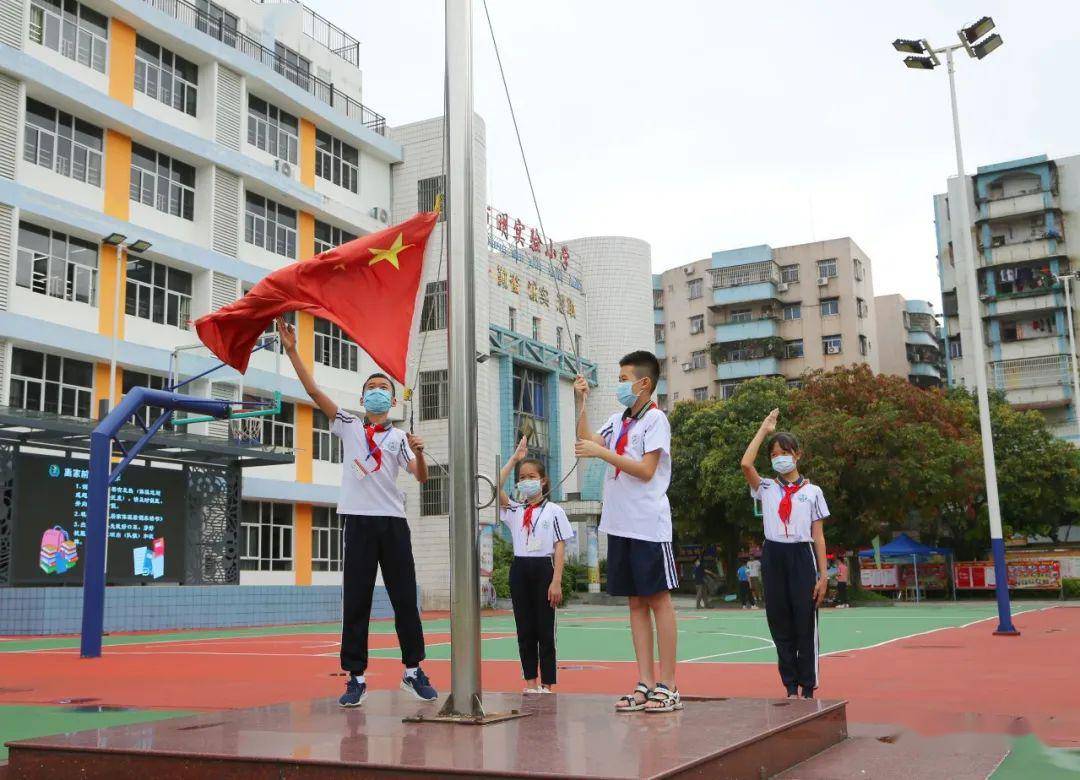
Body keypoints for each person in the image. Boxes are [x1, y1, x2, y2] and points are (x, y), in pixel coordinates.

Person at [277, 318, 437, 707]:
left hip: (394, 525)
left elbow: (421, 477)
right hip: (359, 523)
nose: (378, 393)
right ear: (362, 399)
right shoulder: (348, 425)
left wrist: (417, 450)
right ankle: (356, 677)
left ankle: (413, 671)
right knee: (357, 601)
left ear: (393, 401)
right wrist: (293, 350)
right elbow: (314, 390)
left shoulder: (399, 438)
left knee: (404, 599)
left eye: (384, 389)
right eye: (372, 389)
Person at [573, 351, 681, 713]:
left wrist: (600, 454)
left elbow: (647, 470)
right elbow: (587, 439)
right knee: (635, 603)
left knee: (657, 600)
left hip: (648, 525)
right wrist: (580, 401)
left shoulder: (656, 421)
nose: (620, 385)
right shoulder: (617, 420)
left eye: (623, 378)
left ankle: (669, 684)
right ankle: (645, 682)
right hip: (619, 524)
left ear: (643, 383)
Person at [740, 409, 829, 700]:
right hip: (774, 554)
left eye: (785, 452)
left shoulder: (813, 491)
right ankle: (790, 686)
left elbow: (818, 535)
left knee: (805, 621)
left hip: (801, 555)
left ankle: (807, 686)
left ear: (797, 455)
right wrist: (764, 430)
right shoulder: (765, 487)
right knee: (779, 621)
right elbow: (745, 463)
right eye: (775, 454)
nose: (780, 457)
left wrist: (823, 575)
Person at [497, 436, 574, 694]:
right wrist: (514, 459)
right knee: (524, 629)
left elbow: (560, 545)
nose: (526, 481)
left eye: (531, 476)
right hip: (520, 569)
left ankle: (547, 684)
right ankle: (530, 682)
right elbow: (494, 488)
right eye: (522, 477)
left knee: (545, 631)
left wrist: (556, 580)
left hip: (543, 569)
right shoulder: (516, 510)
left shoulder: (554, 511)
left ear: (542, 481)